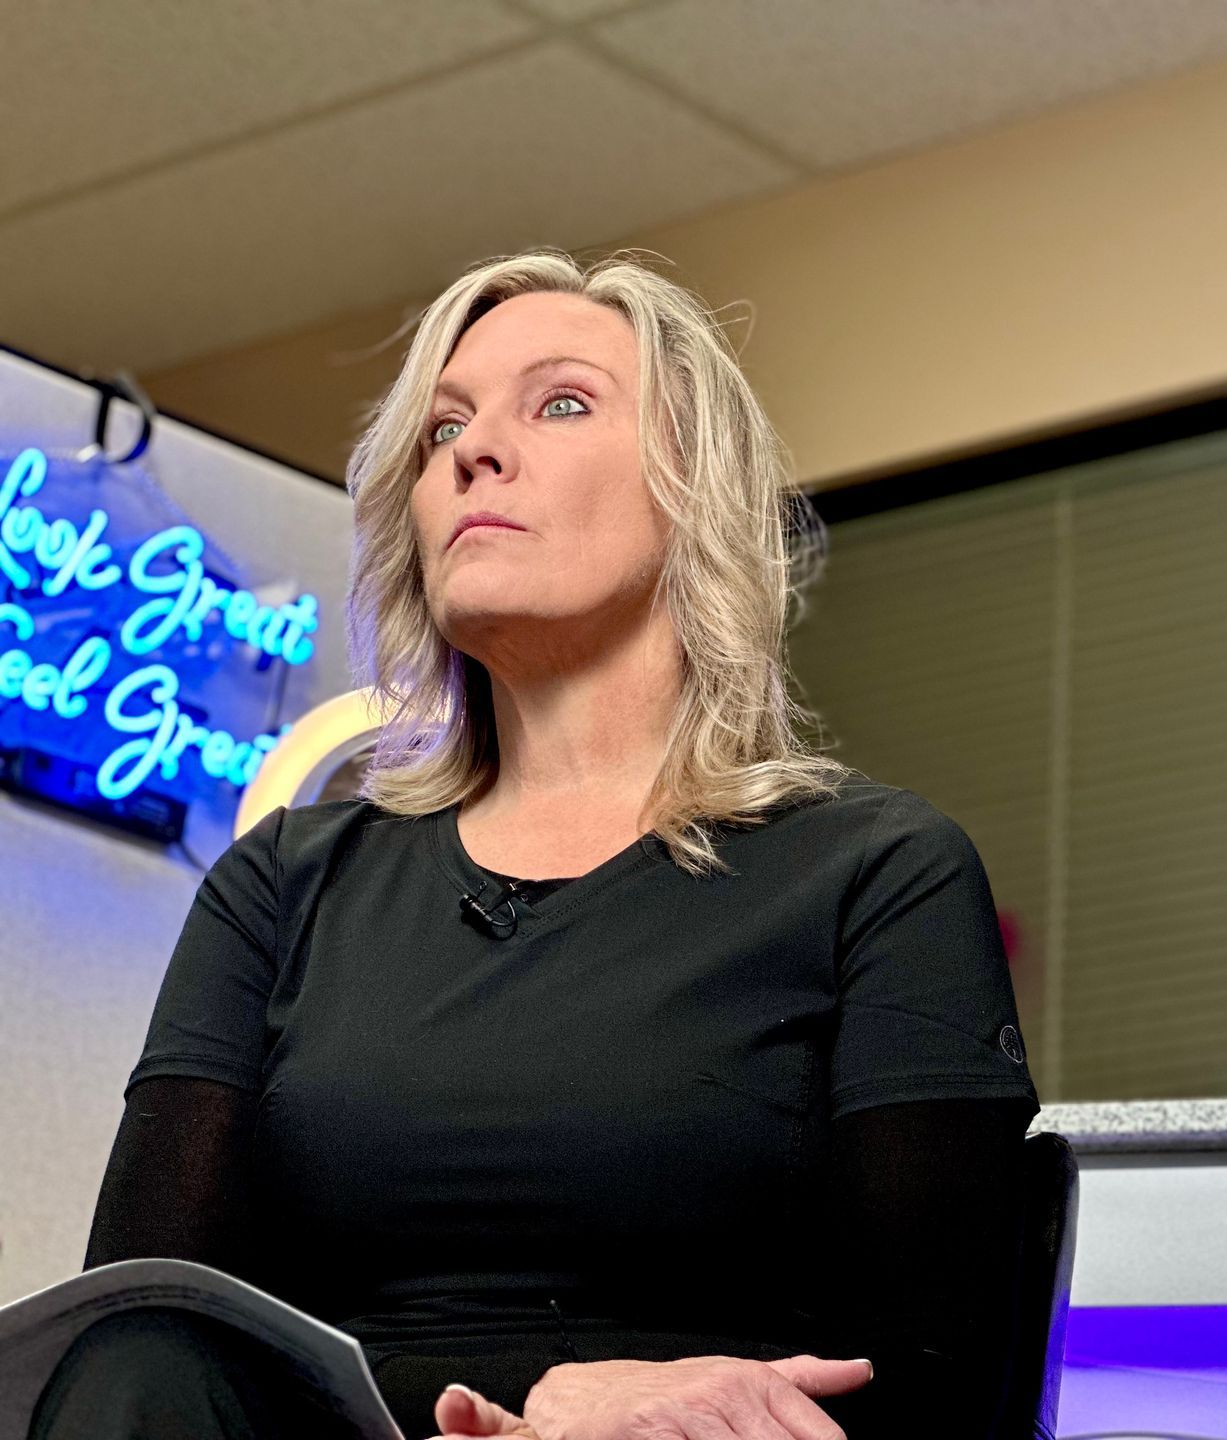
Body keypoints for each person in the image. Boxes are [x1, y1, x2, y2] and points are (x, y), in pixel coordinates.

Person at [31, 248, 1040, 1440]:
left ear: (693, 488)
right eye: (443, 427)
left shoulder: (875, 873)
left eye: (561, 403)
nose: (474, 451)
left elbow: (941, 1378)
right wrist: (545, 1397)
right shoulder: (284, 887)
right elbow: (141, 1341)